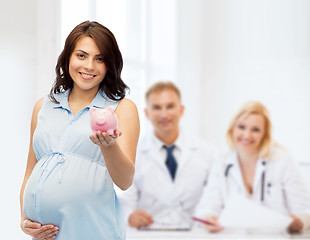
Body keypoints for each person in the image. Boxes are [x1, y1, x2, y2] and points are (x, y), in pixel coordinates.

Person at [19, 21, 140, 240]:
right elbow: (31, 170)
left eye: (100, 58)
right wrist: (24, 221)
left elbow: (125, 181)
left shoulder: (122, 109)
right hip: (46, 236)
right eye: (81, 55)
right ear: (68, 58)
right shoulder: (43, 106)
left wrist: (109, 147)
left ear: (110, 65)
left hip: (93, 232)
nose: (89, 66)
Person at [194, 101, 310, 233]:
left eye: (256, 129)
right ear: (232, 128)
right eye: (241, 127)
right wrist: (209, 218)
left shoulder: (283, 161)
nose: (247, 135)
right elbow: (207, 206)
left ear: (264, 134)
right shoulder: (221, 161)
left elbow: (306, 210)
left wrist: (299, 221)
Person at [119, 81, 217, 229]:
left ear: (181, 110)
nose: (164, 114)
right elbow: (125, 200)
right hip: (150, 234)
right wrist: (130, 216)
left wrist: (209, 216)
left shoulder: (207, 152)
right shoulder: (134, 152)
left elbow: (213, 197)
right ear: (147, 113)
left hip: (194, 234)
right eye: (157, 107)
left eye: (170, 106)